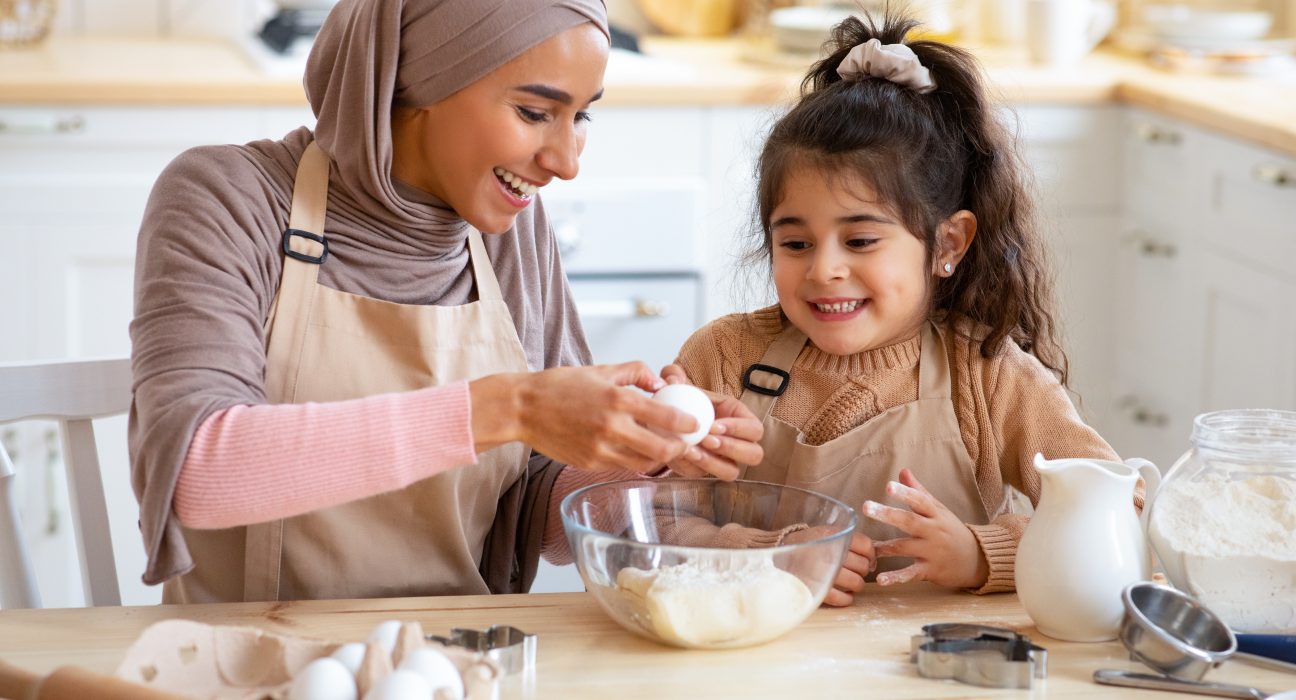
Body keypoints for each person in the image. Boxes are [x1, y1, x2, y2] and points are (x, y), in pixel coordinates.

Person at [128, 0, 761, 604]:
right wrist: (512, 408)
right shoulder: (229, 198)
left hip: (462, 659)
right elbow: (199, 475)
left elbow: (536, 510)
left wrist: (647, 464)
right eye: (536, 113)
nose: (566, 162)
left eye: (583, 116)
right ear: (419, 82)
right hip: (243, 665)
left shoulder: (510, 234)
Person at [653, 13, 1119, 604]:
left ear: (947, 243)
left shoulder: (988, 373)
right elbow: (655, 523)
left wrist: (982, 553)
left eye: (861, 241)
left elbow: (1117, 510)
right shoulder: (722, 358)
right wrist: (762, 556)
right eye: (795, 243)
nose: (823, 270)